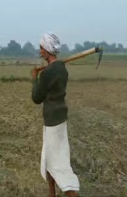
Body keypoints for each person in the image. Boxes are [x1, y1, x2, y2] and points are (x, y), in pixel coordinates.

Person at [31, 33, 79, 197]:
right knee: (50, 160)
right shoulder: (61, 68)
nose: (40, 51)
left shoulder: (47, 73)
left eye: (42, 48)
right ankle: (51, 193)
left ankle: (71, 192)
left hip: (52, 122)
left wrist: (34, 78)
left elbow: (36, 98)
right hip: (59, 118)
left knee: (60, 166)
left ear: (48, 49)